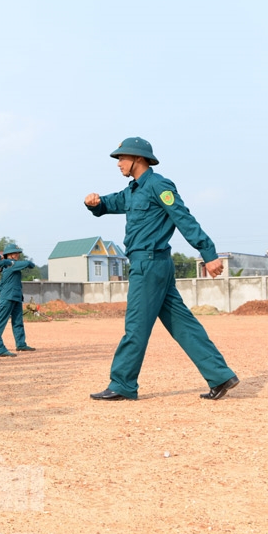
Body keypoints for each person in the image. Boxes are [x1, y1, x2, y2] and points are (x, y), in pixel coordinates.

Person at [84, 137, 239, 401]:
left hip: (149, 265)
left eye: (122, 157)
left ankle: (122, 384)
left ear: (138, 159)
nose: (118, 163)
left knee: (136, 326)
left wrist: (208, 253)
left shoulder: (159, 185)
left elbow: (184, 218)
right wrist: (95, 204)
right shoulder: (132, 191)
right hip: (152, 265)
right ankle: (221, 375)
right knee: (183, 325)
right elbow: (110, 203)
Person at [0, 243, 36, 356]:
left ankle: (21, 343)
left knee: (18, 321)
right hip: (7, 296)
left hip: (16, 296)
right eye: (15, 253)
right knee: (1, 321)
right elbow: (28, 264)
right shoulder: (10, 265)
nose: (17, 255)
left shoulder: (13, 265)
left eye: (18, 253)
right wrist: (29, 263)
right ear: (8, 255)